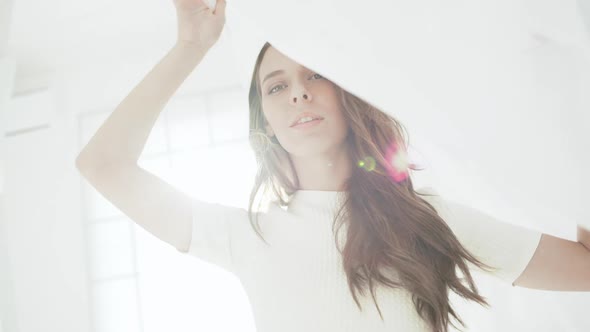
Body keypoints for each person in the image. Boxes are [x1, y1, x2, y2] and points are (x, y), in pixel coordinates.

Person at [75, 1, 589, 331]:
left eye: (315, 74)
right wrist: (192, 46)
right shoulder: (245, 235)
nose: (298, 90)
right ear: (266, 124)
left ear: (348, 97)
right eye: (276, 86)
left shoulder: (428, 221)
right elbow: (103, 164)